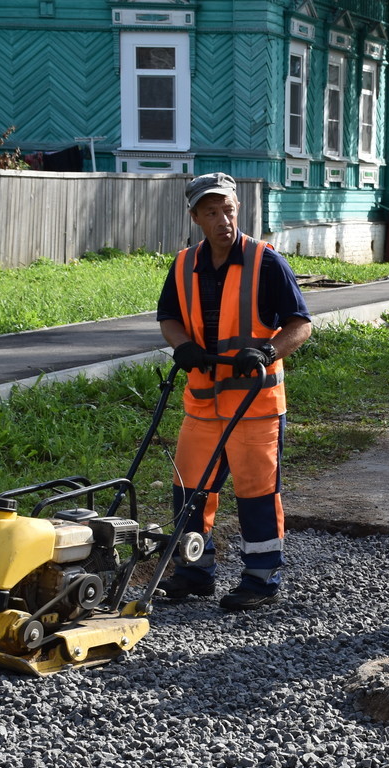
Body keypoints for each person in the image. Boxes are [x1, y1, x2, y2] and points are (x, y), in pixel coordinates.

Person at [155, 172, 312, 611]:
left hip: (255, 405)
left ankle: (261, 580)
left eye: (227, 209)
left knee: (256, 492)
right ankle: (193, 572)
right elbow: (168, 316)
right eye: (211, 212)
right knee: (190, 492)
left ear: (237, 210)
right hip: (203, 404)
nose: (222, 219)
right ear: (195, 217)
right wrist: (182, 345)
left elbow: (300, 324)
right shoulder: (184, 264)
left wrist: (266, 351)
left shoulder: (266, 262)